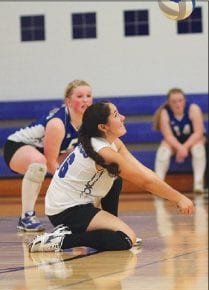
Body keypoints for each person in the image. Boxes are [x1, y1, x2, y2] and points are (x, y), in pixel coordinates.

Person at [27, 101, 194, 253]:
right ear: (103, 127)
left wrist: (175, 196)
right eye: (115, 115)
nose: (123, 117)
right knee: (125, 239)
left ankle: (110, 228)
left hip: (73, 202)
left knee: (116, 177)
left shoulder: (111, 143)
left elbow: (144, 172)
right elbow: (145, 182)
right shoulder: (104, 152)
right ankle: (62, 240)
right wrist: (178, 198)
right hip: (66, 210)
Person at [3, 80, 122, 232]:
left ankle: (97, 217)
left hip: (51, 151)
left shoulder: (88, 122)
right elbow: (51, 163)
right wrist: (69, 193)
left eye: (88, 95)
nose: (85, 99)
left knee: (88, 161)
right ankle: (26, 217)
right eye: (79, 96)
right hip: (17, 147)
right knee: (39, 163)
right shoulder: (58, 124)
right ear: (68, 101)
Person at [153, 88, 206, 193]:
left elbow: (198, 133)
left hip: (192, 141)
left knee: (198, 149)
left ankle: (198, 184)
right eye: (174, 101)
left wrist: (184, 148)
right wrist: (180, 148)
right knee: (163, 152)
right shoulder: (165, 113)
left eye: (180, 100)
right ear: (168, 102)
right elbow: (168, 136)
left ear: (185, 100)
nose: (178, 104)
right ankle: (158, 185)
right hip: (174, 142)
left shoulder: (193, 109)